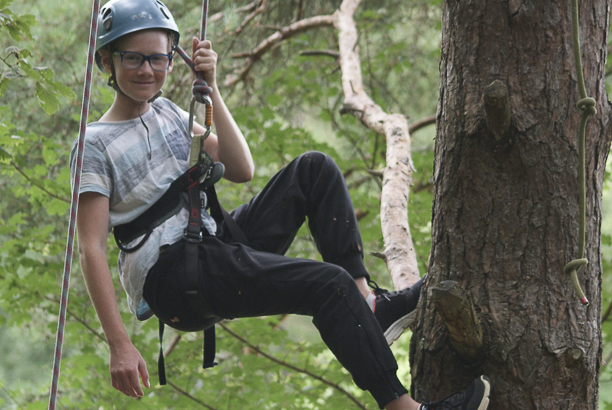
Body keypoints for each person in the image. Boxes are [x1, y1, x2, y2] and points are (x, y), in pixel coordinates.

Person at [71, 0, 490, 409]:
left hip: (210, 247)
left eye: (157, 59)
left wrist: (211, 88)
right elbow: (91, 247)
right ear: (107, 62)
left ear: (170, 60)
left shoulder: (167, 112)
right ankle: (403, 407)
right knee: (327, 285)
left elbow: (240, 167)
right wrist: (118, 342)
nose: (147, 70)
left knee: (314, 169)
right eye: (133, 59)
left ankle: (369, 305)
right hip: (173, 278)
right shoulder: (95, 144)